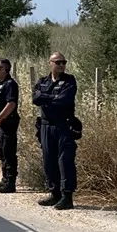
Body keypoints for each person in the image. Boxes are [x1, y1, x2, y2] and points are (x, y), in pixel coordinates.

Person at [32, 51, 77, 209]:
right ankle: (54, 193)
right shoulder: (43, 81)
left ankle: (67, 196)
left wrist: (46, 98)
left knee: (65, 161)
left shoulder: (69, 81)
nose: (61, 65)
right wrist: (52, 98)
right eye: (58, 62)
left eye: (63, 62)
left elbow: (64, 100)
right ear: (50, 63)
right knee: (48, 160)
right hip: (45, 126)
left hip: (63, 126)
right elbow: (35, 99)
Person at [0, 58, 20, 193]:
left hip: (8, 123)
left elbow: (11, 103)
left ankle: (11, 182)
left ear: (3, 69)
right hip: (0, 123)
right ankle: (4, 179)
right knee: (1, 151)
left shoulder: (10, 84)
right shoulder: (0, 83)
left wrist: (1, 117)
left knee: (8, 151)